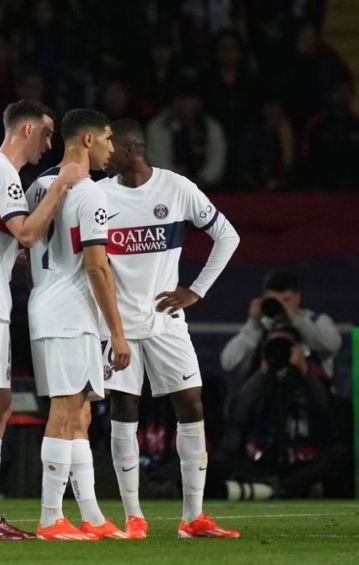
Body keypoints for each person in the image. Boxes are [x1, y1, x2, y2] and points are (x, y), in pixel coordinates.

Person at [0, 100, 87, 541]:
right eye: (46, 134)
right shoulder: (4, 173)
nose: (50, 144)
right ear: (26, 130)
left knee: (0, 402)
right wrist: (61, 186)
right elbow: (26, 231)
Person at [98, 118, 241, 538]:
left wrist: (195, 291)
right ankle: (134, 517)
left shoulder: (177, 188)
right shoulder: (100, 195)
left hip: (166, 322)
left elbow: (227, 236)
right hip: (119, 324)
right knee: (124, 410)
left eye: (111, 146)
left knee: (191, 404)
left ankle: (192, 517)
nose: (104, 156)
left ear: (130, 149)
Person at [26, 109, 131, 541]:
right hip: (68, 312)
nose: (112, 147)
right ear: (87, 141)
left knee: (80, 414)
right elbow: (97, 266)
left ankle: (90, 515)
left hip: (54, 307)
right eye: (107, 138)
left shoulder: (39, 186)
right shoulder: (89, 194)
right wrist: (119, 332)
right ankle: (51, 517)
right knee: (66, 411)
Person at [215, 323, 346, 500]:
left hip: (301, 463)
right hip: (262, 463)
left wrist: (304, 370)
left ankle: (275, 489)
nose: (280, 350)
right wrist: (263, 372)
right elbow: (238, 413)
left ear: (299, 349)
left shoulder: (312, 374)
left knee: (337, 452)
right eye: (274, 345)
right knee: (222, 456)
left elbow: (323, 407)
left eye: (286, 346)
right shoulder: (259, 376)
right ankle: (282, 488)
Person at [220, 270, 342, 384]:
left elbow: (332, 345)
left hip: (310, 401)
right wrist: (253, 324)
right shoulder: (259, 327)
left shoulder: (315, 321)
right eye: (274, 301)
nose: (281, 306)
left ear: (297, 297)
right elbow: (228, 363)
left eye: (286, 300)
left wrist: (295, 320)